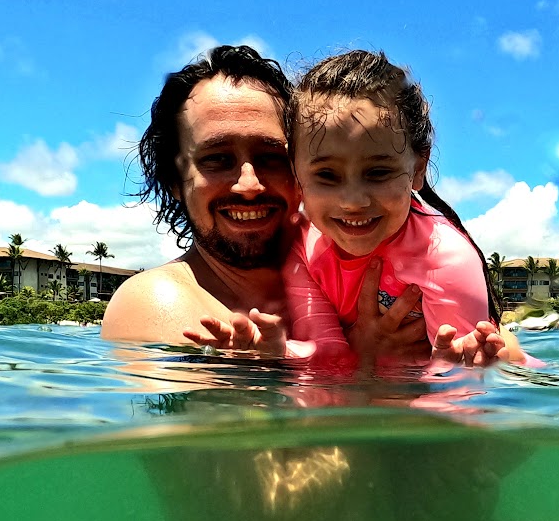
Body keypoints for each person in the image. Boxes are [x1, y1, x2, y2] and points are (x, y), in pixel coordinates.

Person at [100, 44, 509, 365]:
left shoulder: (355, 258)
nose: (248, 184)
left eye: (271, 158)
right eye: (217, 160)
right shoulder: (159, 304)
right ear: (174, 181)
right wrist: (361, 366)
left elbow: (487, 362)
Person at [280, 50, 499, 356]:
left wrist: (455, 370)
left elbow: (458, 387)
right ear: (295, 173)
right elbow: (324, 357)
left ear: (418, 169)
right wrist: (272, 354)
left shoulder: (443, 258)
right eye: (327, 175)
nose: (353, 201)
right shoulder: (301, 248)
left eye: (378, 172)